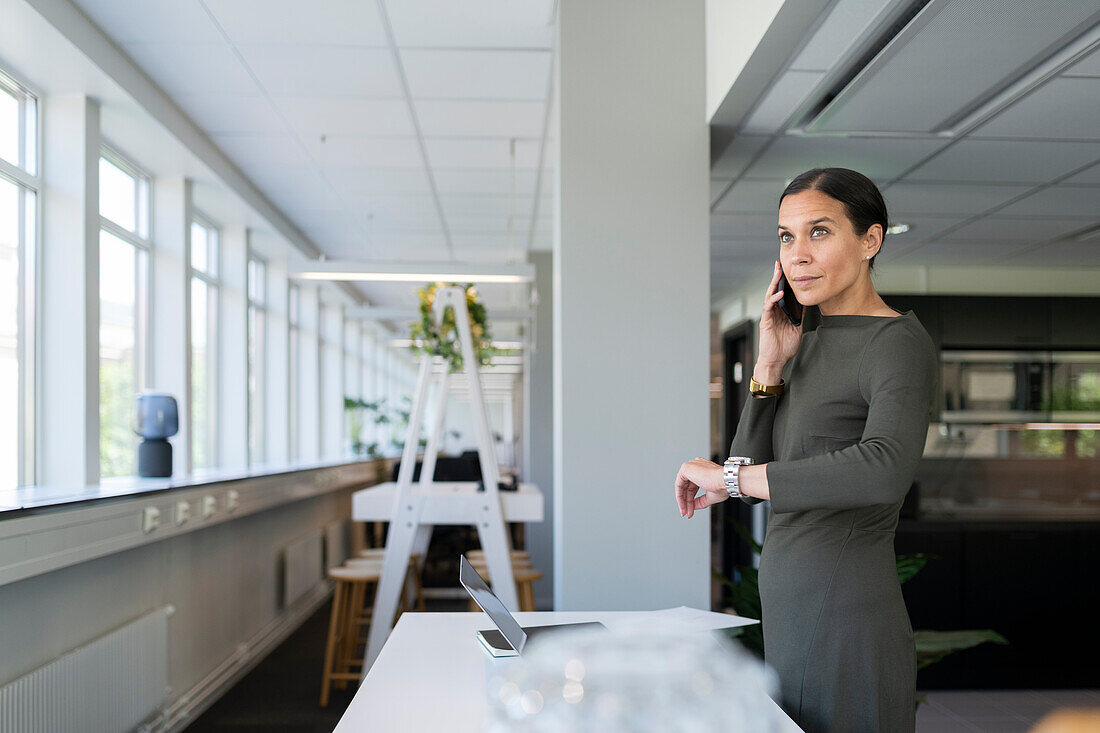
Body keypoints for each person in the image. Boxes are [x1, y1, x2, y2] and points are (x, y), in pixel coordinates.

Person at [674, 168, 937, 733]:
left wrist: (735, 479)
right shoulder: (806, 343)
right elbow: (744, 471)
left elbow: (883, 468)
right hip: (791, 601)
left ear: (871, 240)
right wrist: (769, 364)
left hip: (845, 607)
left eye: (819, 232)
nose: (798, 255)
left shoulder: (897, 342)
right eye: (786, 236)